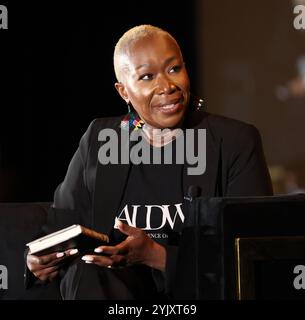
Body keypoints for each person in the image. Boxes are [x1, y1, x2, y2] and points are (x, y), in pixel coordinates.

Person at [25, 24, 273, 299]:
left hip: (193, 294)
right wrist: (38, 260)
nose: (167, 86)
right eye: (146, 76)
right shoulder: (101, 138)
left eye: (174, 69)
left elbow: (254, 252)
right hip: (111, 292)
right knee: (89, 270)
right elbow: (60, 224)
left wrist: (156, 256)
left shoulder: (235, 141)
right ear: (124, 91)